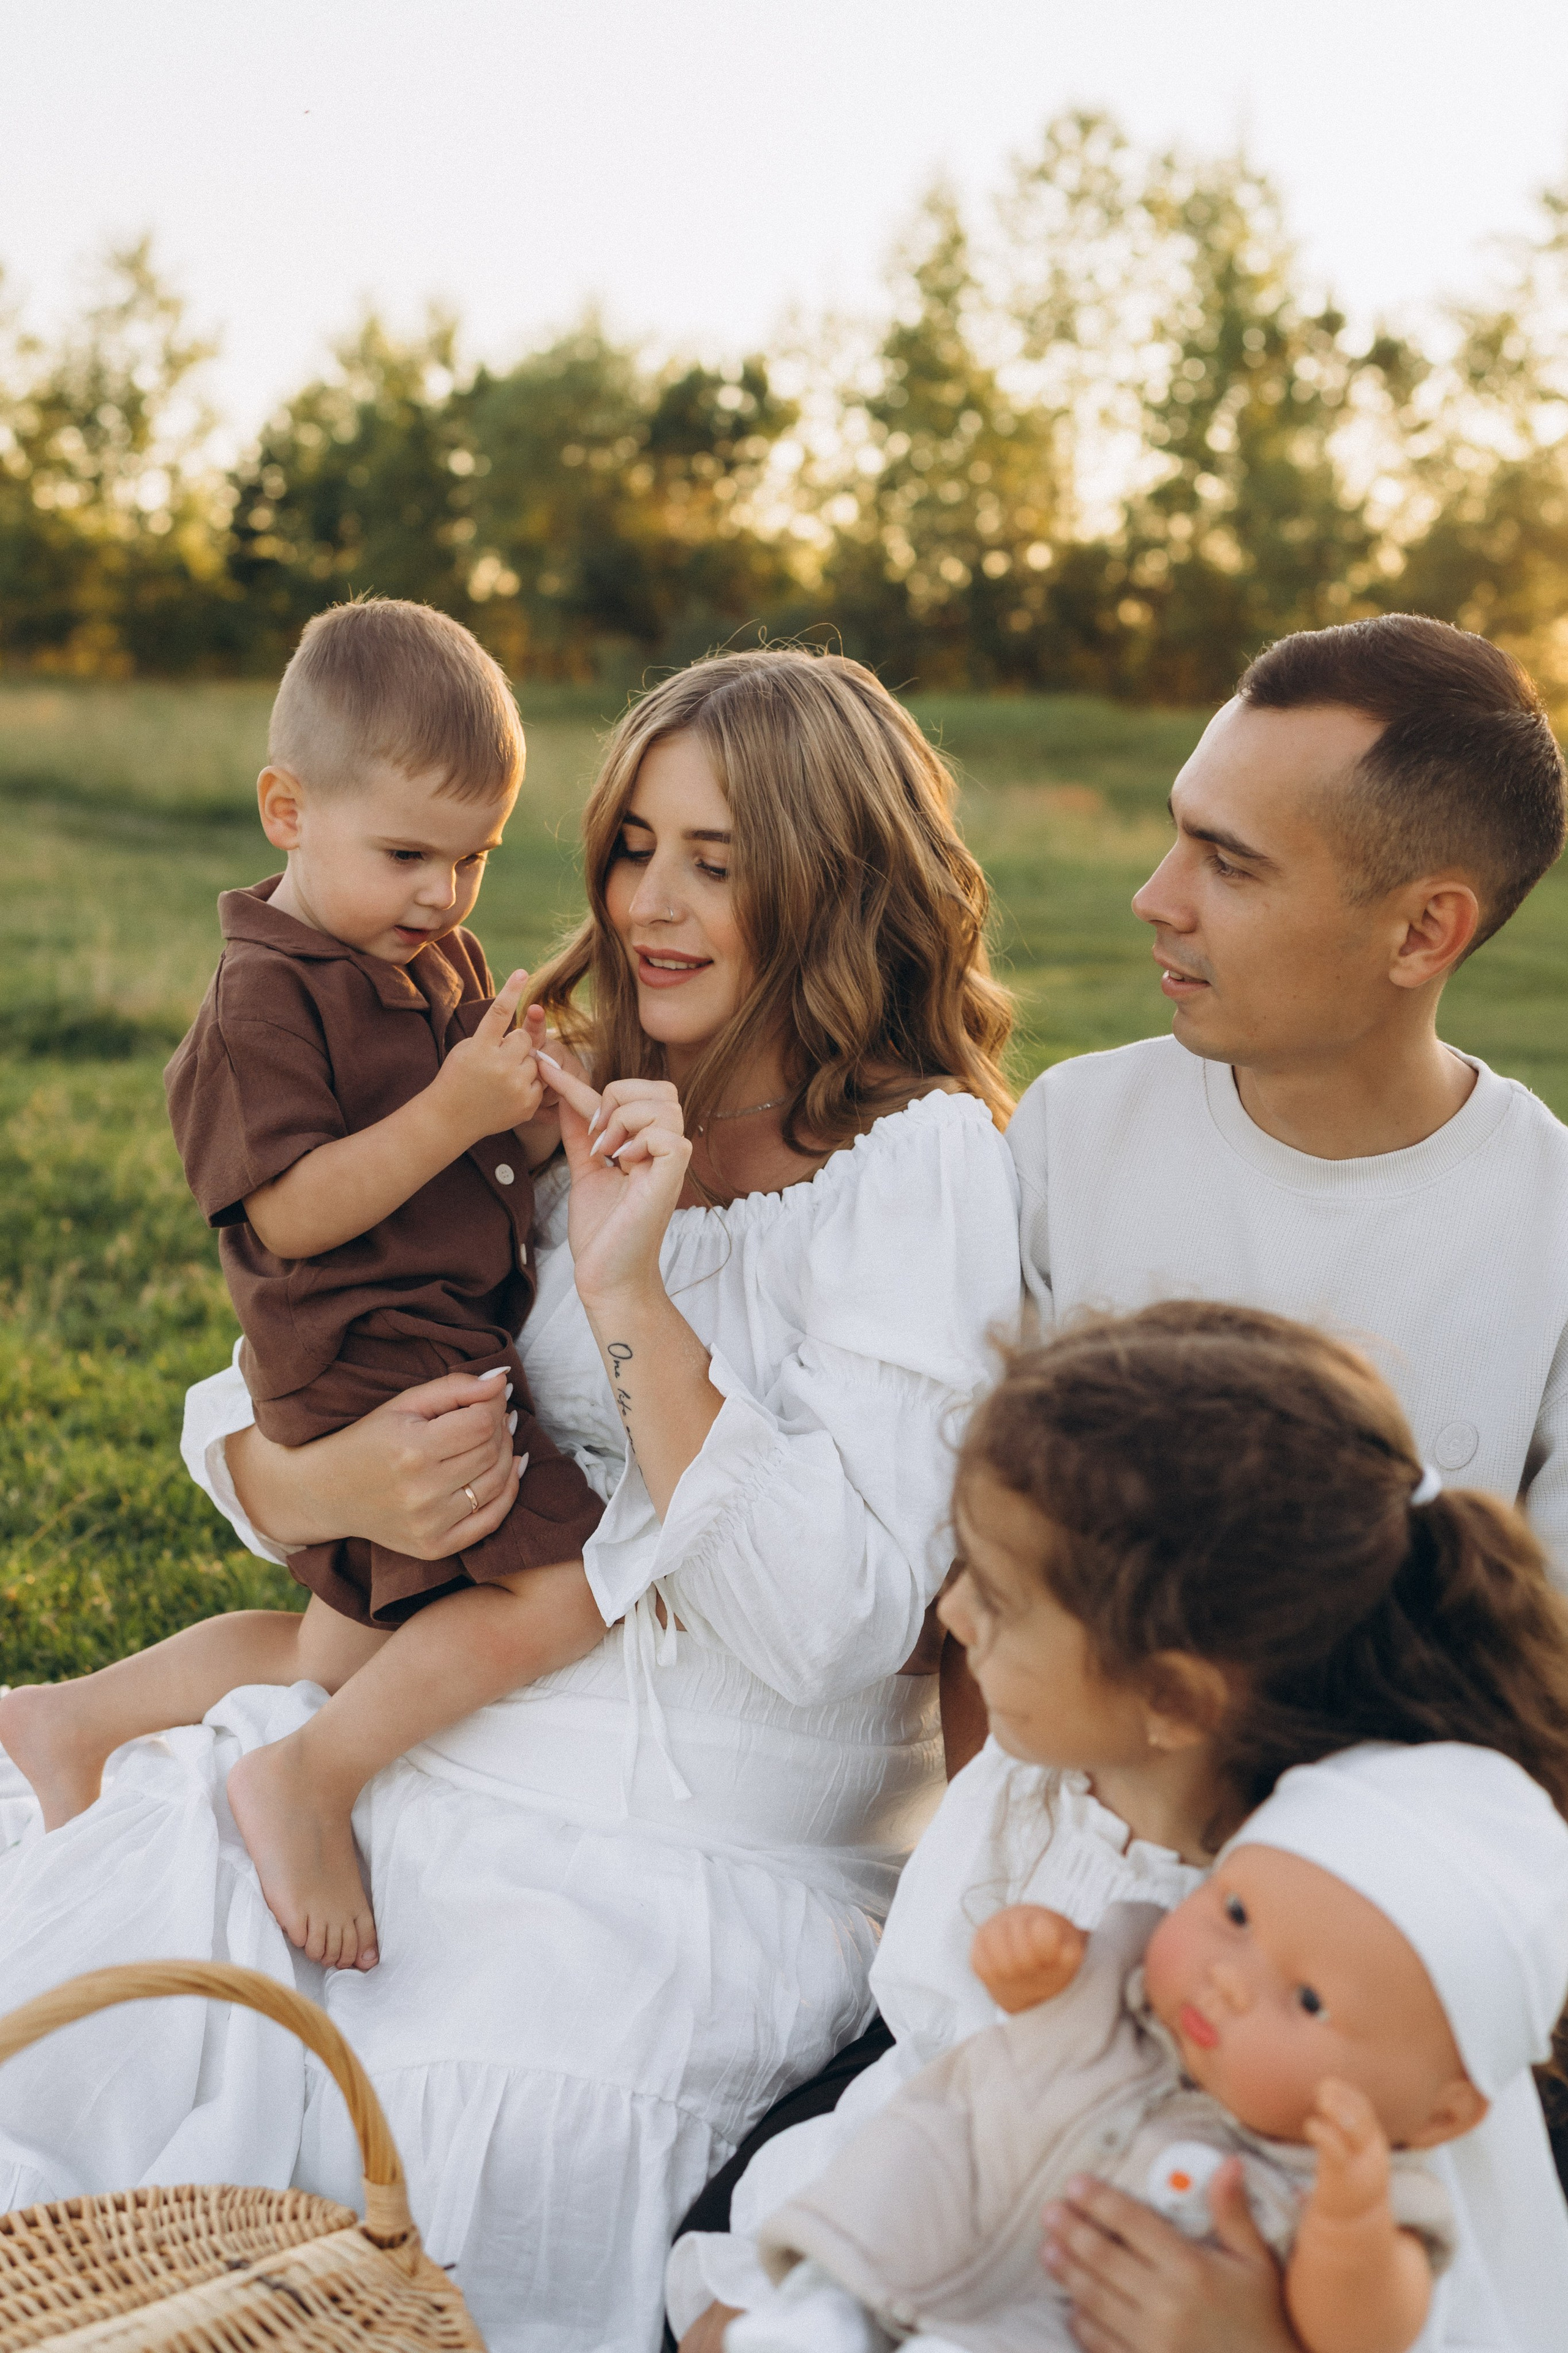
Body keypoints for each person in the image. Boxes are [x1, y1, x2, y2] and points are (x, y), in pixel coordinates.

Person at [0, 645, 1023, 2353]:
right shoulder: (556, 1092)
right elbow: (283, 1383)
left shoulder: (918, 1168)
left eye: (720, 859)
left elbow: (837, 1628)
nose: (653, 904)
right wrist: (325, 1474)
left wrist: (637, 1301)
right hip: (400, 1749)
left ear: (837, 884)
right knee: (92, 2007)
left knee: (422, 2143)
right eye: (636, 845)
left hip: (676, 1860)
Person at [668, 1306, 1568, 2353]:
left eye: (1001, 1601)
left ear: (1173, 1700)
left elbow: (1439, 2289)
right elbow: (941, 2044)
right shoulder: (1039, 1780)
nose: (952, 1615)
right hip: (971, 2163)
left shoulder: (1339, 1931)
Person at [0, 597, 606, 1973]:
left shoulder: (412, 949)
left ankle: (72, 1715)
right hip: (359, 1344)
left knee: (332, 1649)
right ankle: (304, 1784)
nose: (442, 898)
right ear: (287, 807)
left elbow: (467, 1133)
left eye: (472, 860)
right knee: (569, 1585)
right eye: (406, 854)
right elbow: (290, 1207)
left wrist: (525, 1094)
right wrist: (455, 1114)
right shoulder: (262, 999)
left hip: (419, 1325)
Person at [1009, 611, 1568, 1579]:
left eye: (1228, 863)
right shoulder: (1073, 1136)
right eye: (1177, 836)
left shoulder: (1551, 1228)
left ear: (1424, 933)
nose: (1156, 896)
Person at [745, 1741, 1568, 2353]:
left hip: (1047, 2313)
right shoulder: (1129, 1963)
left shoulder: (1359, 2187)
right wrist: (1034, 1970)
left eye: (1309, 1999)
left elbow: (1360, 2335)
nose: (1230, 1980)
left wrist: (1350, 2226)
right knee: (898, 2172)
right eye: (1235, 1914)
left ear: (1441, 2111)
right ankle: (825, 2309)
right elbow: (1034, 2022)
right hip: (946, 2212)